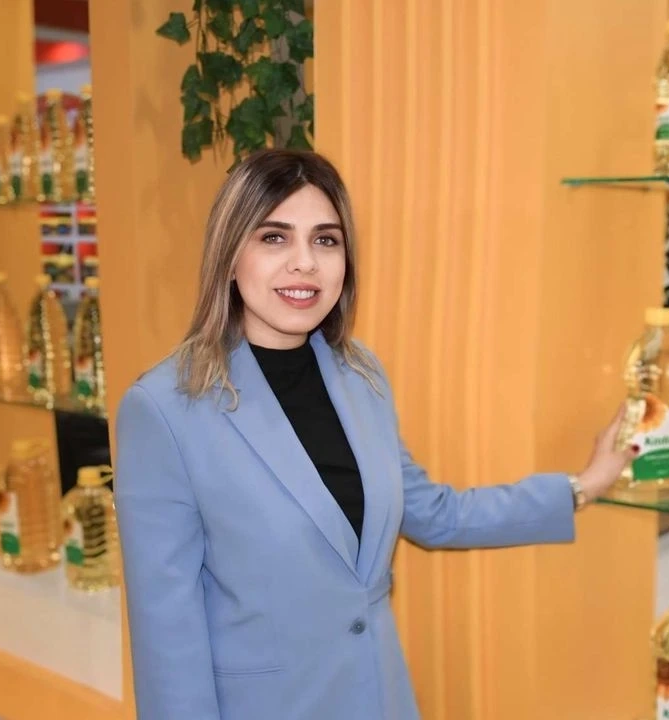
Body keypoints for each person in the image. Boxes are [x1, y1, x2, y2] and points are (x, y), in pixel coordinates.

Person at [113, 149, 638, 719]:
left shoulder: (360, 375)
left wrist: (583, 486)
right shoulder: (164, 410)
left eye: (325, 240)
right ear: (230, 253)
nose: (304, 263)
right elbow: (167, 636)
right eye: (274, 238)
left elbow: (434, 513)